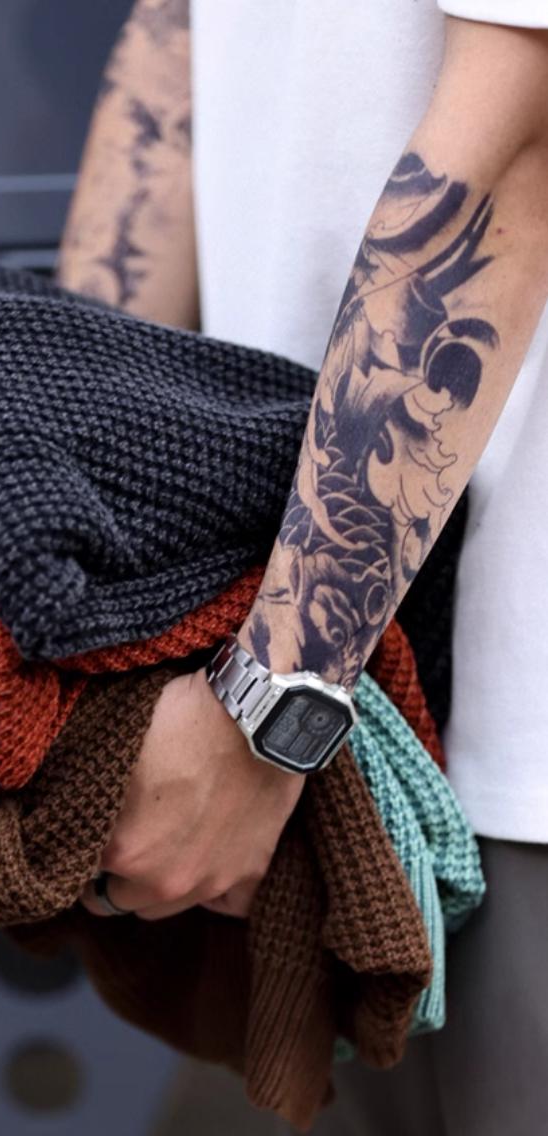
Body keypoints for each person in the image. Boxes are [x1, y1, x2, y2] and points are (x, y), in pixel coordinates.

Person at [61, 2, 548, 1132]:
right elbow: (176, 46)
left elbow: (516, 145)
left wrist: (266, 715)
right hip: (328, 683)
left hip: (502, 700)